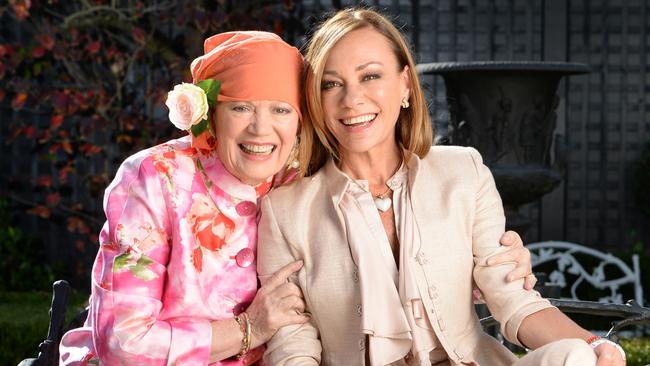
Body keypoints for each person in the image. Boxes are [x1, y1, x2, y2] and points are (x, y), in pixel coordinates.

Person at [58, 30, 533, 366]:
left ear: (302, 118)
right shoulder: (155, 178)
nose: (261, 130)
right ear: (207, 115)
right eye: (239, 108)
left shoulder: (302, 174)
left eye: (281, 110)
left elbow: (382, 260)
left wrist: (486, 266)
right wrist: (248, 331)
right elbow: (121, 343)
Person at [256, 8, 626, 366]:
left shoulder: (464, 172)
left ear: (404, 84)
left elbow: (513, 298)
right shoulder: (285, 211)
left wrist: (596, 345)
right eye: (331, 84)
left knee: (577, 357)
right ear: (316, 101)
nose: (352, 99)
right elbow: (292, 339)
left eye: (370, 77)